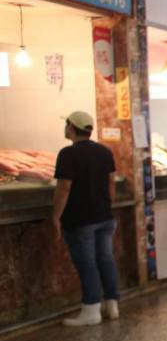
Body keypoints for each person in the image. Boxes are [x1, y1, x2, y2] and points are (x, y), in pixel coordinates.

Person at [52, 111, 120, 326]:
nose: (65, 128)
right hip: (105, 217)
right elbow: (111, 184)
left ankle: (91, 310)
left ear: (71, 127)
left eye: (66, 124)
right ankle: (112, 304)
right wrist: (106, 206)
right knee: (106, 260)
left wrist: (56, 216)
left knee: (87, 263)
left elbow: (64, 187)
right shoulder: (104, 152)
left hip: (81, 219)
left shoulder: (67, 154)